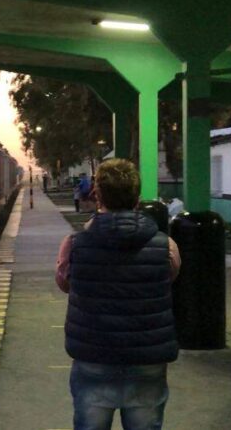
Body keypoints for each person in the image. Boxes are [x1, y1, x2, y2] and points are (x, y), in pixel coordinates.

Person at [55, 159, 181, 430]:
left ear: (97, 195)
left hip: (93, 357)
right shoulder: (166, 246)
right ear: (137, 197)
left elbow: (65, 284)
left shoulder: (74, 245)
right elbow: (168, 278)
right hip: (147, 360)